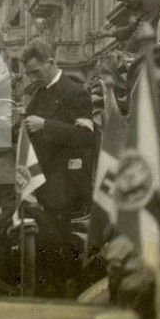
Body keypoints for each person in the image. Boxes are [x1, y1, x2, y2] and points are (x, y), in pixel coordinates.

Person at [21, 39, 95, 231]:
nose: (33, 78)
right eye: (29, 74)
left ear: (51, 63)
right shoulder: (39, 94)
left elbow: (86, 136)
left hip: (66, 187)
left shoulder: (75, 92)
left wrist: (45, 125)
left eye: (36, 72)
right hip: (42, 185)